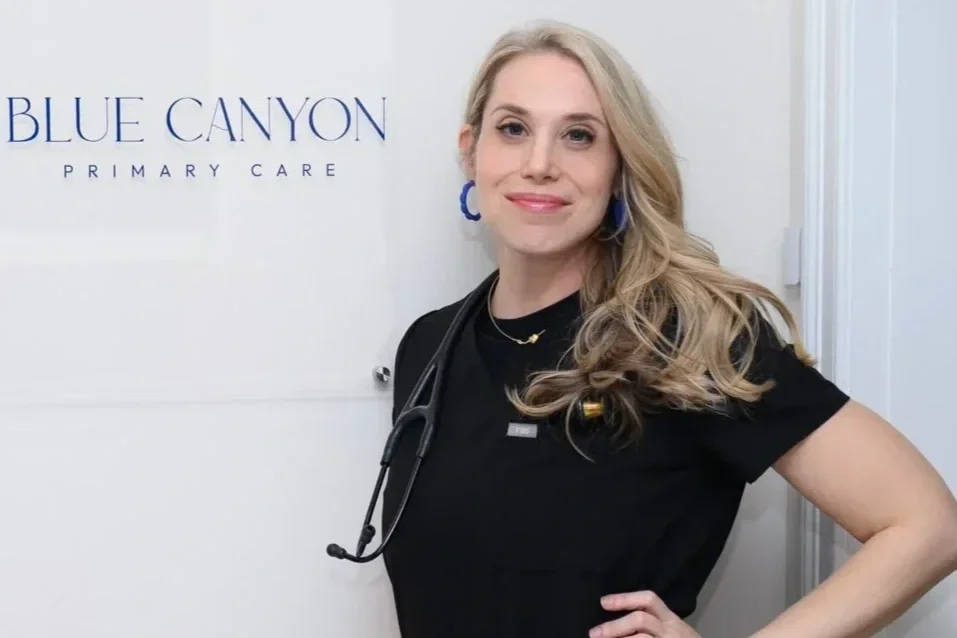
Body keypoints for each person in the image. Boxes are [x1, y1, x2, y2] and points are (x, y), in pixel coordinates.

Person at [380, 20, 957, 638]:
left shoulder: (686, 338)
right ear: (471, 149)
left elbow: (926, 525)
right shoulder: (430, 345)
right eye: (513, 129)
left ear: (619, 165)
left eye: (579, 136)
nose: (539, 163)